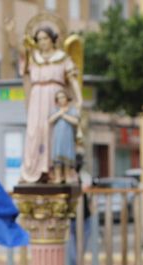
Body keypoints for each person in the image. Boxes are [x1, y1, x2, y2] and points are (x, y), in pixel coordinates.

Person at [19, 24, 82, 183]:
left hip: (54, 97)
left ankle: (55, 170)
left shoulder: (62, 58)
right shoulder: (34, 58)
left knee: (55, 133)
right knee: (35, 132)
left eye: (45, 38)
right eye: (39, 39)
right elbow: (21, 54)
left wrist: (79, 98)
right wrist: (10, 33)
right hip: (36, 98)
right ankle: (34, 169)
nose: (42, 42)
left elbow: (73, 79)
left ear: (52, 39)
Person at [48, 89, 79, 183]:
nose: (61, 99)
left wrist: (64, 115)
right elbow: (50, 120)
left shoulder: (72, 110)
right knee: (57, 155)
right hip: (58, 137)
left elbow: (76, 121)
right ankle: (58, 176)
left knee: (67, 155)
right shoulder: (55, 110)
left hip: (68, 136)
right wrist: (60, 113)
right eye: (59, 98)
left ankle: (67, 175)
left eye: (62, 97)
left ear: (67, 98)